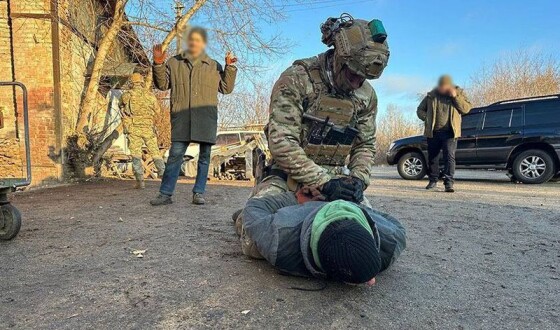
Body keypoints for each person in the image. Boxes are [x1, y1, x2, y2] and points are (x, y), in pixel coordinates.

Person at [233, 14, 389, 227]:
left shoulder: (366, 95)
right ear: (339, 59)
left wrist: (359, 179)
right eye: (353, 74)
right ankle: (249, 214)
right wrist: (323, 182)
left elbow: (365, 144)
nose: (356, 83)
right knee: (259, 237)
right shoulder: (297, 79)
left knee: (367, 233)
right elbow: (282, 142)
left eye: (363, 78)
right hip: (288, 178)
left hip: (336, 181)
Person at [237, 189, 406, 285]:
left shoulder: (390, 240)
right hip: (299, 205)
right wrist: (294, 198)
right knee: (249, 238)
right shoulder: (280, 239)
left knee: (357, 194)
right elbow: (254, 206)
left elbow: (396, 225)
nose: (372, 282)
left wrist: (350, 201)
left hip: (339, 199)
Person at [150, 27, 237, 206]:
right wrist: (158, 64)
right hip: (182, 118)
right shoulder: (174, 63)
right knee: (175, 156)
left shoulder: (213, 65)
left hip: (206, 118)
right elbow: (162, 85)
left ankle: (199, 193)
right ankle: (165, 194)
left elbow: (226, 88)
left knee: (204, 158)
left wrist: (230, 67)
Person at [417, 75, 472, 192]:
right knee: (433, 157)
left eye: (445, 86)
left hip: (450, 132)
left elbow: (466, 109)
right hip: (433, 132)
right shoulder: (431, 95)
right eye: (441, 86)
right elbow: (420, 110)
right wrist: (426, 118)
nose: (443, 88)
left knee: (449, 157)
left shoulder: (459, 93)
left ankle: (449, 182)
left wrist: (455, 97)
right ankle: (433, 180)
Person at [119, 73, 165, 189]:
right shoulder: (150, 95)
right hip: (148, 128)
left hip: (133, 128)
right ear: (142, 81)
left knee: (136, 155)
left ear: (131, 82)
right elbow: (158, 111)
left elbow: (121, 106)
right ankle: (164, 176)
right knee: (155, 152)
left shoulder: (126, 95)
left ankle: (140, 181)